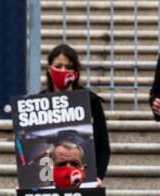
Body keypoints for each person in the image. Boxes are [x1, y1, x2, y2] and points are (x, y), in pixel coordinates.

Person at [42, 43, 110, 180]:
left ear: (76, 72)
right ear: (49, 69)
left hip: (83, 180)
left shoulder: (91, 102)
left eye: (69, 67)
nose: (63, 70)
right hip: (48, 181)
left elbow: (102, 147)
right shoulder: (38, 103)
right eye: (58, 66)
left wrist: (98, 177)